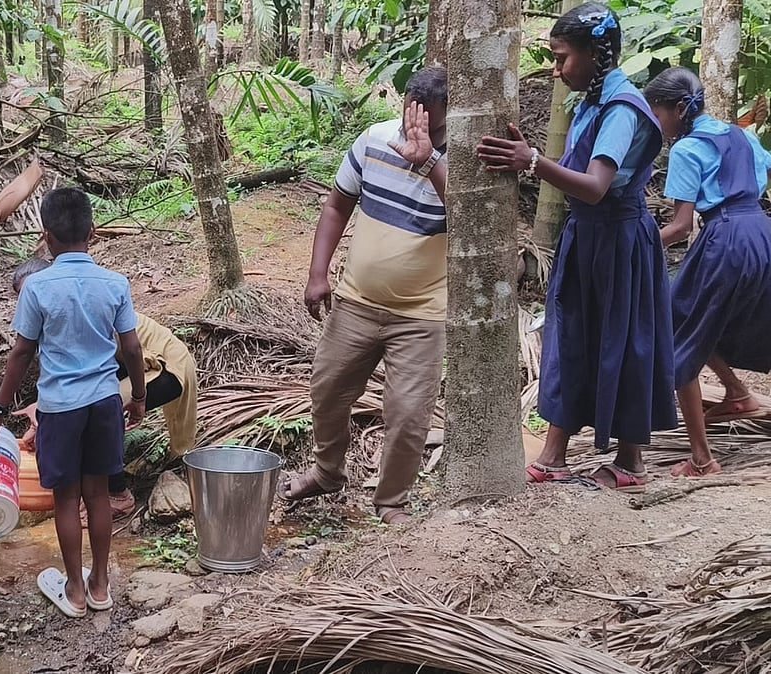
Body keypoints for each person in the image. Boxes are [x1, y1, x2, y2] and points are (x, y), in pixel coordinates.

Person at [477, 4, 677, 492]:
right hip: (587, 237)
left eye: (562, 56)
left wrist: (531, 162)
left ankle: (629, 463)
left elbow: (594, 186)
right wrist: (532, 156)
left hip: (619, 241)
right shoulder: (590, 100)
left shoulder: (623, 108)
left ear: (596, 54)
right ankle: (554, 456)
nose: (556, 67)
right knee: (572, 338)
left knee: (624, 340)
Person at [281, 67, 449, 525]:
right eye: (411, 109)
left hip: (423, 313)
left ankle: (392, 501)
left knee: (409, 414)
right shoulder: (373, 140)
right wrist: (318, 273)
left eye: (430, 117)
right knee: (328, 389)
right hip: (357, 301)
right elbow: (338, 203)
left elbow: (471, 217)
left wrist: (430, 159)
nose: (417, 121)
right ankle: (327, 472)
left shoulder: (459, 160)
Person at [0, 187, 147, 618]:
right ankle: (101, 584)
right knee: (99, 493)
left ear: (46, 236)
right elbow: (131, 348)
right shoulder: (115, 284)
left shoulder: (37, 288)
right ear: (93, 231)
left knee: (67, 499)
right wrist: (140, 395)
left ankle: (74, 589)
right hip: (105, 402)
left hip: (61, 407)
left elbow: (20, 354)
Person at [646, 68, 771, 477]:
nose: (657, 122)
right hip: (761, 231)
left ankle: (701, 459)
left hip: (727, 239)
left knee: (676, 334)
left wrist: (638, 245)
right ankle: (736, 393)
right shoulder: (743, 135)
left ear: (679, 109)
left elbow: (681, 226)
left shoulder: (686, 150)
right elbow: (758, 179)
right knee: (690, 315)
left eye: (658, 113)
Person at [9, 257, 199, 525]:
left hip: (163, 366)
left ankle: (118, 494)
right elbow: (64, 375)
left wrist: (137, 397)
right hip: (132, 364)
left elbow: (98, 372)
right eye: (23, 296)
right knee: (89, 409)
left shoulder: (83, 307)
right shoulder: (56, 314)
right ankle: (98, 484)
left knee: (98, 414)